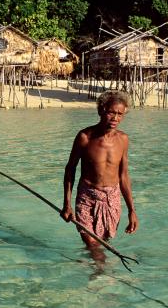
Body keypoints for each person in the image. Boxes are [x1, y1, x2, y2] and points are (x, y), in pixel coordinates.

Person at [60, 90, 138, 263]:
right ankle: (102, 276)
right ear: (101, 110)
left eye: (120, 114)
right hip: (87, 196)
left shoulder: (123, 139)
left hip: (112, 198)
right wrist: (67, 204)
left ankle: (91, 269)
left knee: (102, 241)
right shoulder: (84, 137)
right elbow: (70, 170)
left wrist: (132, 210)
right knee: (92, 243)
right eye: (111, 112)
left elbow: (124, 175)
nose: (115, 118)